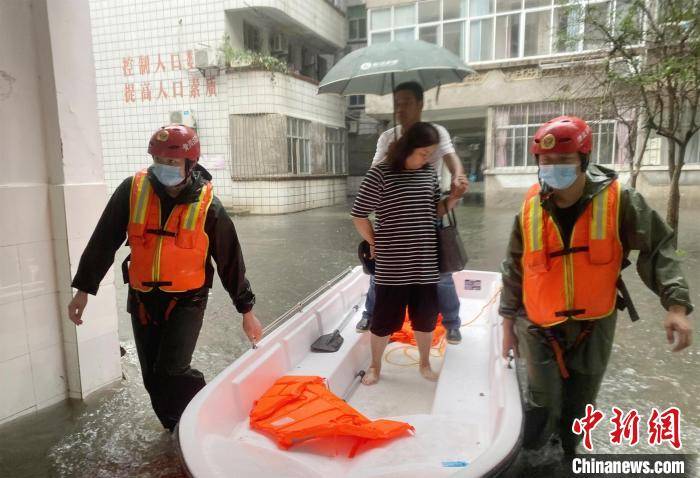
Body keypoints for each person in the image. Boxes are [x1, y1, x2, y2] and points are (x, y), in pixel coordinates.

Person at [499, 115, 694, 458]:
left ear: (584, 161)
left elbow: (659, 247)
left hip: (594, 322)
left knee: (581, 399)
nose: (553, 169)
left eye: (563, 161)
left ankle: (570, 454)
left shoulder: (621, 201)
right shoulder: (530, 206)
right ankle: (530, 457)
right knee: (542, 400)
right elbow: (514, 266)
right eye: (546, 162)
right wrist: (506, 324)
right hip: (538, 324)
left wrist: (676, 306)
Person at [67, 124, 262, 431]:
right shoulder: (132, 190)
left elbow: (230, 261)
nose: (164, 169)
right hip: (143, 298)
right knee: (152, 378)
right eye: (159, 161)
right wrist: (83, 289)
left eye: (172, 163)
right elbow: (104, 240)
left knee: (172, 369)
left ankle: (208, 409)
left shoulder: (208, 205)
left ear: (190, 164)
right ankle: (175, 429)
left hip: (187, 300)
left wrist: (246, 311)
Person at [352, 122, 469, 386]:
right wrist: (374, 241)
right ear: (405, 149)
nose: (428, 159)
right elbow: (359, 214)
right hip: (392, 266)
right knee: (382, 321)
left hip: (425, 263)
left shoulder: (428, 173)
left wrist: (453, 198)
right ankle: (375, 366)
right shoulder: (379, 174)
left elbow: (434, 211)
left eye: (430, 154)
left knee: (425, 320)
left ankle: (425, 364)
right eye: (423, 153)